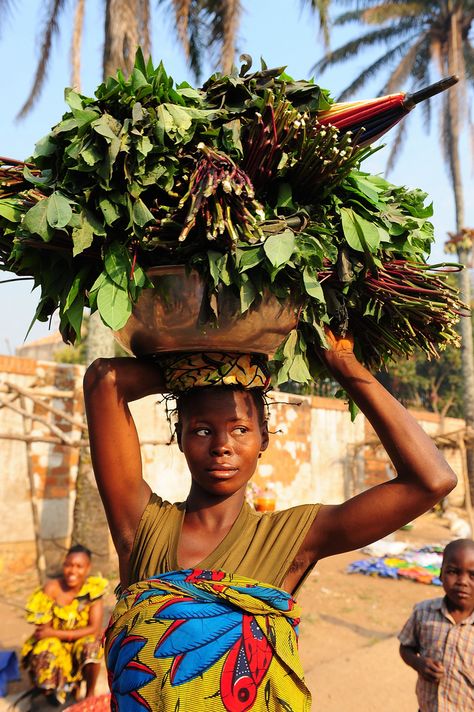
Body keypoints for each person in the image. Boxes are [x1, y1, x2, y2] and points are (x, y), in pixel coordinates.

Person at [83, 333, 457, 710]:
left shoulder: (291, 538)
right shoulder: (143, 526)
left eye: (240, 429)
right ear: (178, 437)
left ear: (264, 438)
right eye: (201, 429)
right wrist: (221, 366)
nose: (222, 445)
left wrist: (343, 364)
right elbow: (105, 379)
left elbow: (432, 480)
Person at [21, 545, 108, 708]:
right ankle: (51, 692)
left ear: (88, 568)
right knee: (45, 649)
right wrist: (55, 634)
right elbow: (43, 632)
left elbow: (94, 629)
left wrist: (55, 632)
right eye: (68, 565)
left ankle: (89, 696)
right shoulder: (52, 588)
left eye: (79, 566)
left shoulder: (93, 591)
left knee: (93, 646)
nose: (72, 571)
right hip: (57, 644)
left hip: (79, 643)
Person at [398, 538, 474, 712]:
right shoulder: (423, 613)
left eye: (473, 575)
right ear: (440, 574)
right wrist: (419, 664)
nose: (462, 581)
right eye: (453, 571)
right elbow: (406, 647)